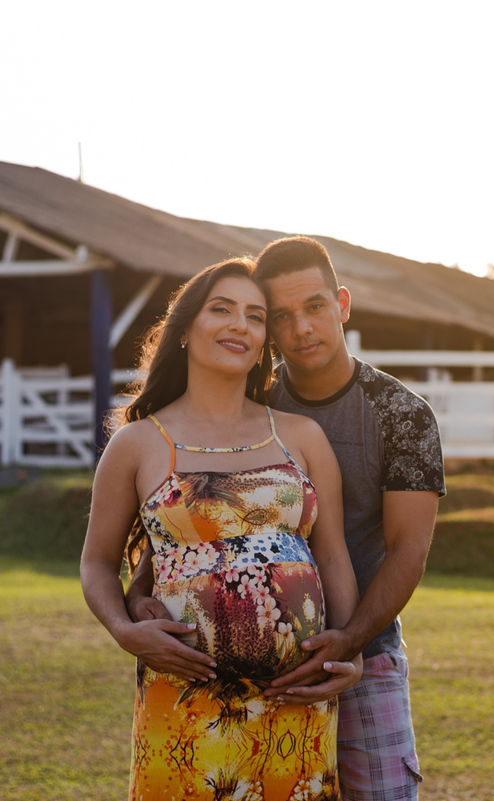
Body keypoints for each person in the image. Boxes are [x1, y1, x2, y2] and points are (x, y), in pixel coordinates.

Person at [129, 238, 445, 800]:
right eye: (281, 316)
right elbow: (194, 517)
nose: (302, 328)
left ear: (342, 304)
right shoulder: (252, 404)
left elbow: (408, 549)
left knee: (385, 793)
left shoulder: (402, 415)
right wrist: (137, 597)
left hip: (363, 653)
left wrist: (347, 644)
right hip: (229, 677)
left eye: (316, 307)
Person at [82, 257, 361, 800]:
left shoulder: (301, 436)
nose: (241, 324)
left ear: (263, 343)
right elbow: (97, 561)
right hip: (186, 705)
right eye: (222, 309)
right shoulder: (137, 443)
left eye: (255, 317)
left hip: (295, 706)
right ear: (185, 329)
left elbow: (331, 557)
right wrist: (123, 629)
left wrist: (345, 652)